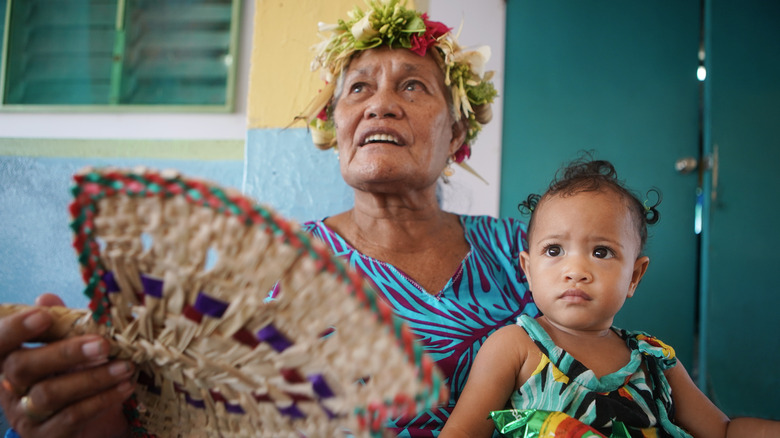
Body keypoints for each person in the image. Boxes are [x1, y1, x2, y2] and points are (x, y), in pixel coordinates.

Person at [0, 1, 537, 436]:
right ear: (338, 127)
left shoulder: (532, 255)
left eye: (412, 85)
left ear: (458, 134)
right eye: (358, 88)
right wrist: (105, 424)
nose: (380, 105)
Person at [441, 158, 780, 437]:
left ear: (634, 276)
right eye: (554, 250)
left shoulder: (654, 360)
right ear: (528, 270)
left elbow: (723, 431)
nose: (575, 270)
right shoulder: (514, 347)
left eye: (601, 252)